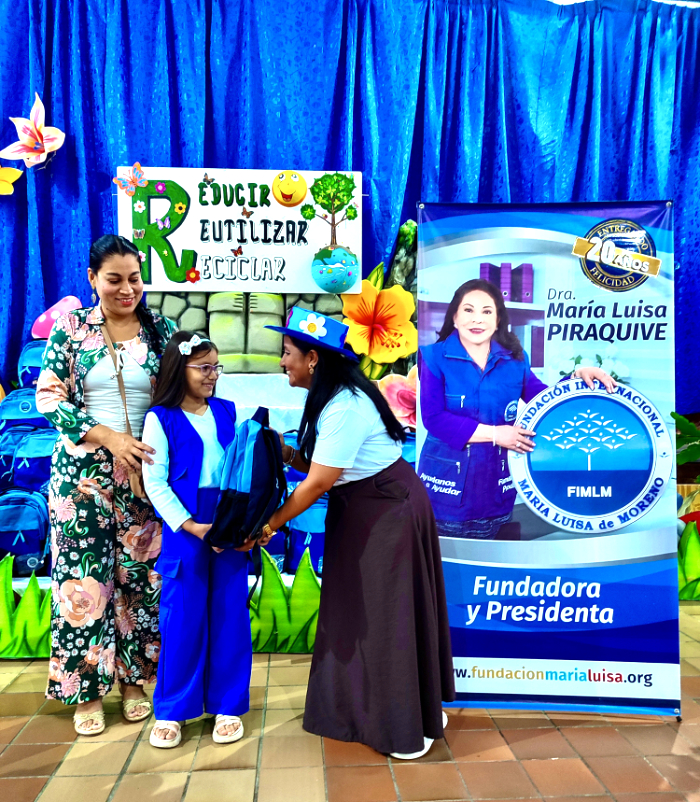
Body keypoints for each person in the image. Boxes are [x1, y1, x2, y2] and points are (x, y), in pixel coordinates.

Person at [259, 307, 455, 759]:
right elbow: (327, 466)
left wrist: (270, 523)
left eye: (286, 352)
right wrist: (285, 452)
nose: (282, 362)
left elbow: (319, 483)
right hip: (367, 508)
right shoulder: (332, 399)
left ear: (312, 359)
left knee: (386, 615)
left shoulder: (344, 406)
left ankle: (404, 725)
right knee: (368, 612)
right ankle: (415, 707)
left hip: (386, 513)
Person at [36, 234, 177, 736]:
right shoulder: (71, 329)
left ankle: (134, 683)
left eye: (135, 279)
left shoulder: (162, 330)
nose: (127, 289)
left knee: (141, 581)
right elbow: (49, 398)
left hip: (143, 476)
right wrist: (109, 437)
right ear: (93, 278)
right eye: (114, 280)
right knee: (85, 583)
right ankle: (86, 692)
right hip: (82, 481)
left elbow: (178, 396)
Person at [141, 332, 268, 748]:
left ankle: (228, 705)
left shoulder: (227, 411)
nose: (213, 375)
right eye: (204, 368)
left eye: (216, 367)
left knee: (230, 615)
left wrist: (243, 522)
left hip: (228, 523)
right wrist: (193, 526)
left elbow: (240, 469)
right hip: (185, 529)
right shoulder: (160, 418)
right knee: (182, 619)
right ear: (180, 369)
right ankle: (172, 710)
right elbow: (155, 483)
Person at [418, 279, 616, 539]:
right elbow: (434, 419)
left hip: (496, 488)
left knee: (494, 558)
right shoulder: (433, 357)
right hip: (446, 491)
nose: (477, 319)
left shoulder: (515, 360)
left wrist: (576, 376)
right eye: (468, 310)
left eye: (487, 311)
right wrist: (495, 434)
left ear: (498, 319)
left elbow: (543, 400)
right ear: (454, 317)